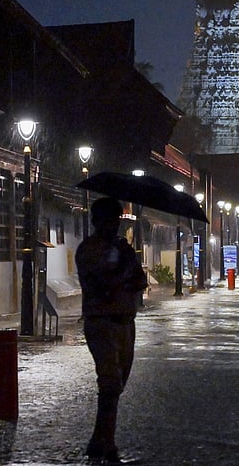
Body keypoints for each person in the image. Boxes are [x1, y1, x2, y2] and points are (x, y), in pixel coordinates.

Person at [75, 197, 147, 463]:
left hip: (126, 322)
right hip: (101, 322)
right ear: (97, 222)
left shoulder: (123, 249)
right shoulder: (88, 250)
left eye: (117, 221)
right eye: (109, 220)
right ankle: (106, 444)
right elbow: (101, 285)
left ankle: (100, 438)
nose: (114, 226)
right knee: (110, 381)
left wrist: (128, 261)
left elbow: (140, 282)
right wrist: (122, 267)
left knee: (118, 385)